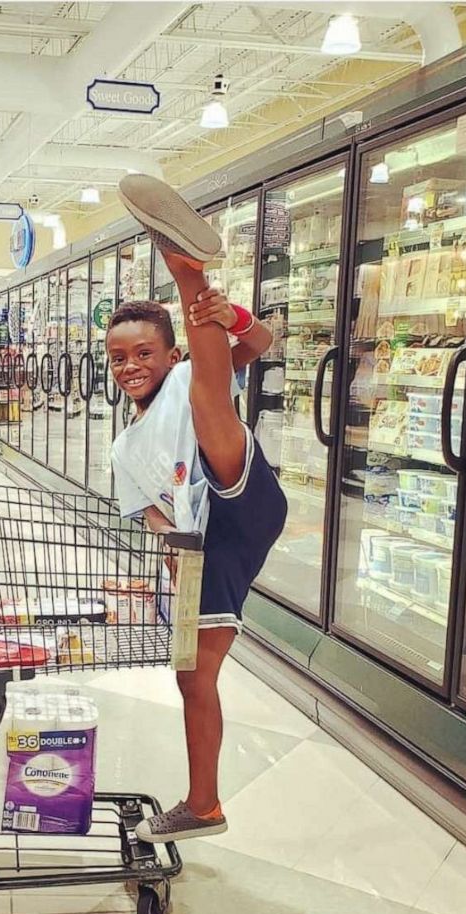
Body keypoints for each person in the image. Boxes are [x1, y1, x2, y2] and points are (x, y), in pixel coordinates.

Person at [108, 174, 287, 844]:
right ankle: (203, 804)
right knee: (193, 678)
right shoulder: (125, 446)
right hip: (205, 538)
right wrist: (169, 548)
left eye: (143, 353)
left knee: (210, 401)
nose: (130, 366)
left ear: (171, 351)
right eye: (119, 358)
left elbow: (260, 342)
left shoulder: (188, 374)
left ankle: (186, 273)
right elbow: (148, 513)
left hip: (236, 492)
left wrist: (222, 312)